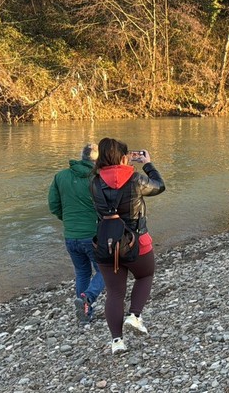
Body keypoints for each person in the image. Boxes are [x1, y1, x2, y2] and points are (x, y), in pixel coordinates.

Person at [91, 137, 165, 354]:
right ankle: (134, 316)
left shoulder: (94, 182)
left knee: (114, 293)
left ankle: (117, 342)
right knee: (145, 276)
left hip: (107, 243)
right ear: (124, 157)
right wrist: (147, 164)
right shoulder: (135, 179)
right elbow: (159, 187)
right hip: (137, 241)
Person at [48, 143, 105, 325]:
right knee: (106, 270)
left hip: (70, 235)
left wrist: (68, 220)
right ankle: (88, 298)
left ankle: (85, 316)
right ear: (98, 159)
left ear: (82, 156)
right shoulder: (99, 177)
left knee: (82, 272)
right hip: (93, 235)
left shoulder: (61, 176)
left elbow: (54, 205)